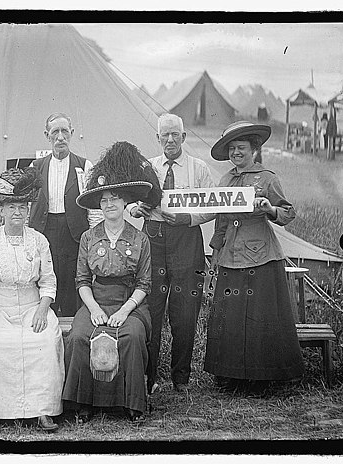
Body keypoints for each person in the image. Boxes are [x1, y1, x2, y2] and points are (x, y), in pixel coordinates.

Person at [63, 141, 160, 423]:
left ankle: (131, 404)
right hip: (96, 299)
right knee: (79, 337)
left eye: (115, 199)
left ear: (125, 203)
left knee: (131, 336)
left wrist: (123, 311)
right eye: (104, 201)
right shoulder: (88, 237)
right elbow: (82, 279)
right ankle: (84, 403)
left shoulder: (140, 238)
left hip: (129, 302)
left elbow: (144, 283)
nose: (109, 205)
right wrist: (93, 309)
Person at [204, 120, 304, 391]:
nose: (237, 153)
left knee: (259, 316)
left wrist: (270, 209)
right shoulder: (225, 180)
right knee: (232, 316)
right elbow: (222, 221)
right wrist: (215, 252)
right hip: (230, 255)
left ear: (253, 149)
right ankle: (230, 374)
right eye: (233, 149)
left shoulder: (267, 177)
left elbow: (288, 212)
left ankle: (261, 377)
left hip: (261, 255)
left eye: (242, 148)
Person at [0, 167, 64, 432]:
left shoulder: (39, 241)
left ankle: (42, 410)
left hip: (33, 306)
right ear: (1, 211)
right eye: (11, 207)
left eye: (22, 206)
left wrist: (44, 310)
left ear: (29, 210)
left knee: (42, 341)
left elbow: (48, 281)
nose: (17, 212)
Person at [129, 113, 215, 394]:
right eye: (164, 135)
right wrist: (135, 209)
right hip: (153, 238)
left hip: (186, 239)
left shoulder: (198, 168)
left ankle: (181, 378)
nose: (169, 140)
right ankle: (150, 377)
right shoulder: (147, 168)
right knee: (152, 308)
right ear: (157, 138)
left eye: (174, 135)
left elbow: (213, 205)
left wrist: (188, 218)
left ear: (183, 137)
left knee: (185, 310)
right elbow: (130, 201)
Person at [29, 112, 102, 317]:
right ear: (47, 135)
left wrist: (93, 239)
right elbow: (28, 206)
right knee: (46, 282)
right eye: (55, 132)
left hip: (74, 235)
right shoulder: (36, 167)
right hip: (44, 232)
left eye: (64, 131)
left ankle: (72, 337)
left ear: (72, 133)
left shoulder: (85, 166)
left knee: (73, 285)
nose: (60, 137)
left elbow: (94, 209)